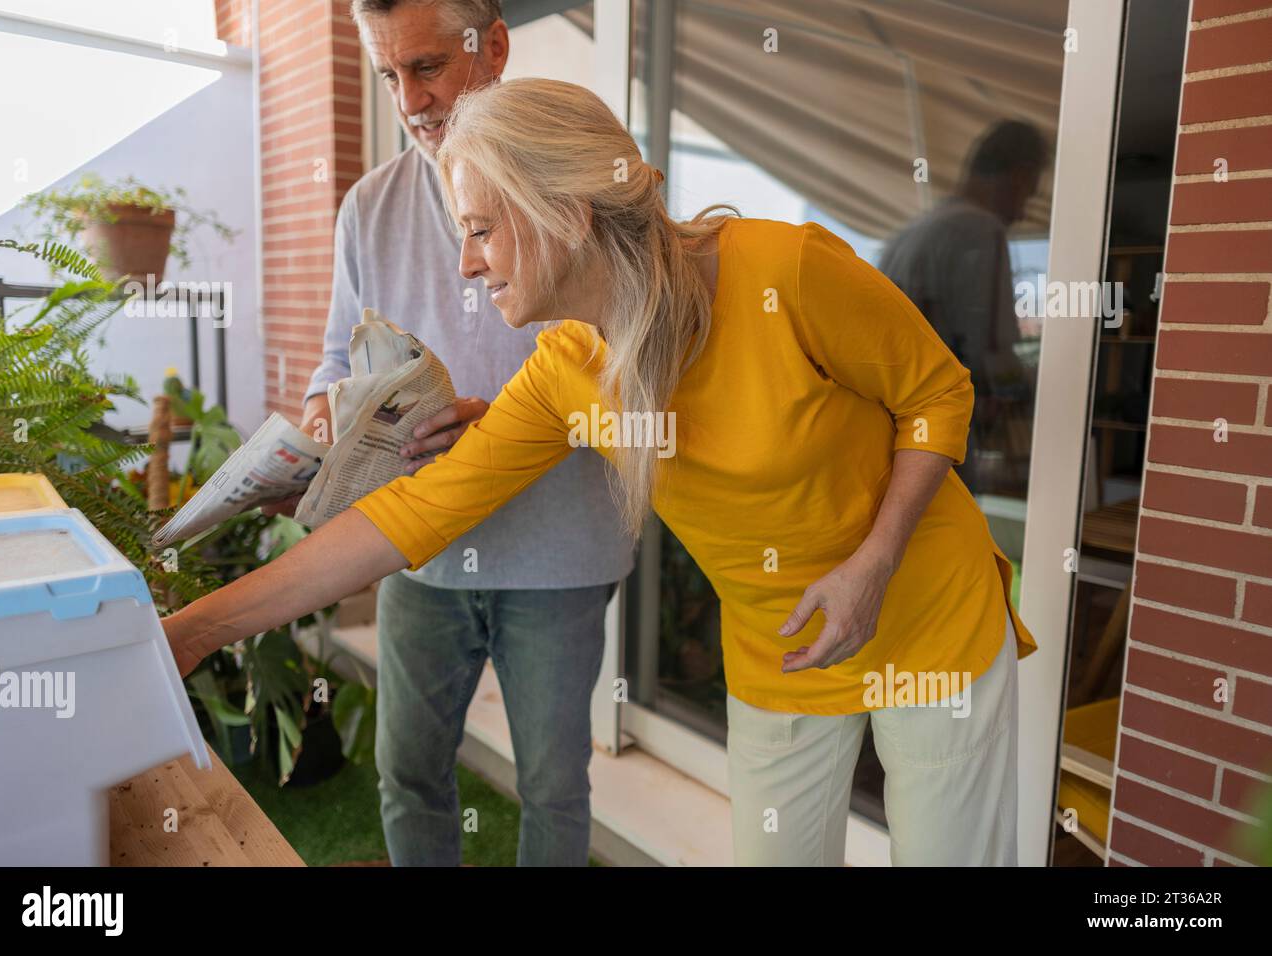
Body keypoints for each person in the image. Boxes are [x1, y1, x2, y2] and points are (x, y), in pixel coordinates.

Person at [166, 77, 1038, 866]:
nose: (466, 264)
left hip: (927, 615)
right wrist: (199, 629)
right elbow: (412, 518)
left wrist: (873, 562)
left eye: (478, 230)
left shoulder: (786, 273)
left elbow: (938, 396)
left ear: (567, 215)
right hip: (785, 644)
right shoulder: (564, 370)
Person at [263, 0, 634, 867]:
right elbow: (334, 360)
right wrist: (322, 423)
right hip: (417, 548)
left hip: (560, 552)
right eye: (390, 75)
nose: (409, 100)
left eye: (427, 67)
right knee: (407, 771)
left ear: (493, 46)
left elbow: (637, 353)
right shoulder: (368, 207)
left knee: (552, 785)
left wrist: (508, 425)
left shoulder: (580, 177)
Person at [878, 120, 1047, 493]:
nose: (1022, 213)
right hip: (937, 443)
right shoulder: (980, 231)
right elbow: (990, 358)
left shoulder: (911, 235)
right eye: (1028, 195)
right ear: (1017, 176)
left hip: (886, 438)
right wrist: (1045, 389)